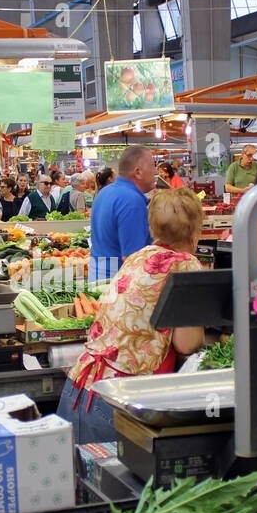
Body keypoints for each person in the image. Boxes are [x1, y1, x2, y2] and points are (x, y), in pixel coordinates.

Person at [59, 187, 207, 444]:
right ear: (195, 234)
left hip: (80, 387)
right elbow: (187, 343)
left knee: (79, 481)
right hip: (119, 402)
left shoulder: (139, 256)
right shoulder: (186, 266)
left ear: (153, 229)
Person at [89, 145, 157, 281]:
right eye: (153, 166)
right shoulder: (131, 201)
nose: (155, 172)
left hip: (97, 278)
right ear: (138, 172)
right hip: (117, 283)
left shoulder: (105, 192)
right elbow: (132, 258)